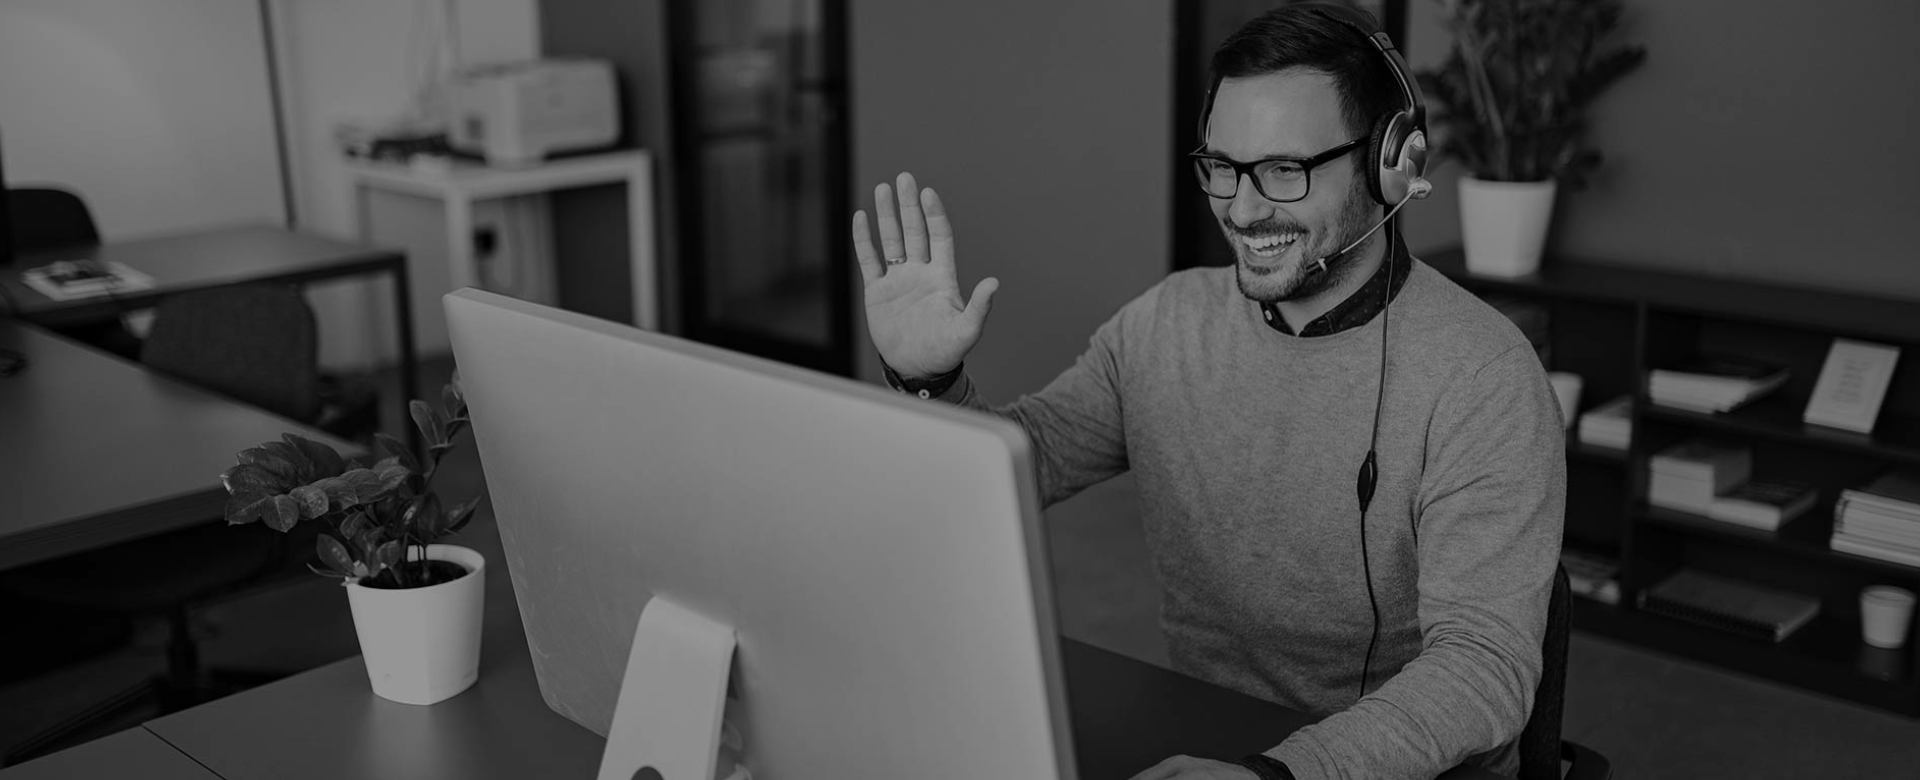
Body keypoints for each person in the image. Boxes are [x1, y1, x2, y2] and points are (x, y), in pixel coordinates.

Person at [850, 3, 1565, 778]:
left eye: (1285, 170)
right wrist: (929, 380)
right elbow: (1025, 464)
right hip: (1207, 736)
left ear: (1386, 166)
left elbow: (1482, 667)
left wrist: (1280, 774)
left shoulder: (1483, 377)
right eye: (1223, 167)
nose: (1244, 209)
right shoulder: (1165, 323)